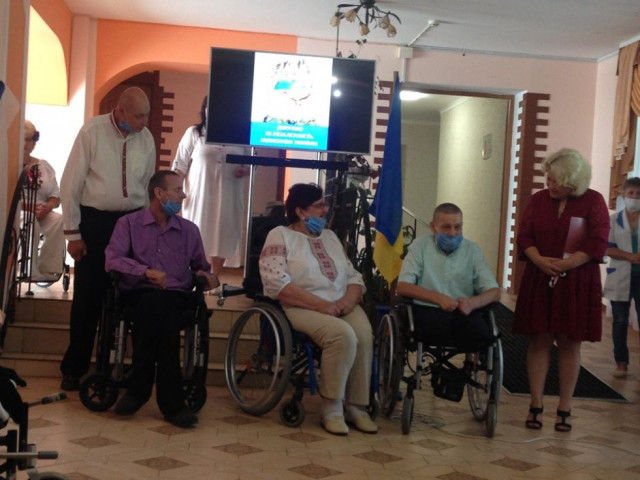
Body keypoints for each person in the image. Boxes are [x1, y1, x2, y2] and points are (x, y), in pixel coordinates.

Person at [259, 183, 377, 436]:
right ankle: (332, 408)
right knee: (342, 335)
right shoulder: (280, 235)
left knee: (364, 335)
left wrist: (348, 301)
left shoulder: (330, 237)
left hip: (341, 303)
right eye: (319, 205)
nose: (326, 209)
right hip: (302, 306)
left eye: (325, 204)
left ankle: (357, 406)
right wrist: (323, 306)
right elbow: (277, 283)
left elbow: (353, 275)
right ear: (301, 211)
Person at [59, 87, 156, 392]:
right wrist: (73, 234)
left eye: (147, 115)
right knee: (88, 297)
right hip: (96, 223)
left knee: (134, 295)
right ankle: (74, 368)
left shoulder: (146, 138)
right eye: (139, 116)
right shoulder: (92, 132)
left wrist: (148, 230)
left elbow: (147, 186)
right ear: (121, 110)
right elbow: (70, 184)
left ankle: (129, 367)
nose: (144, 122)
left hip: (132, 223)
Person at [105, 170, 218, 428]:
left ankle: (139, 388)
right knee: (157, 308)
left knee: (159, 308)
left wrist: (210, 278)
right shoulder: (128, 224)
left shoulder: (189, 230)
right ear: (159, 193)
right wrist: (145, 271)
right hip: (139, 293)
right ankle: (172, 404)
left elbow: (201, 268)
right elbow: (112, 259)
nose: (183, 195)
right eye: (178, 190)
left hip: (177, 296)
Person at [513, 148, 609, 433]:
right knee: (539, 340)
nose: (550, 185)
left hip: (577, 280)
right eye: (549, 179)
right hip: (540, 275)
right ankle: (535, 403)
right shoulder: (538, 200)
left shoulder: (594, 201)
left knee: (569, 343)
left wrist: (566, 264)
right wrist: (540, 261)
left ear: (574, 180)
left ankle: (565, 406)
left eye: (557, 181)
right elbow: (524, 236)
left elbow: (598, 241)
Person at [396, 203, 500, 353]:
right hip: (428, 310)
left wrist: (472, 303)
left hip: (464, 312)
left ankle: (468, 367)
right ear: (433, 227)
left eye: (457, 227)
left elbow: (494, 292)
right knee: (433, 327)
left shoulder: (472, 250)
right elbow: (403, 286)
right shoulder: (420, 246)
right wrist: (438, 298)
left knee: (481, 333)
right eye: (446, 227)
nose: (453, 233)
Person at [172, 96, 250, 276]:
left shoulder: (240, 135)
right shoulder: (194, 133)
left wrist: (245, 170)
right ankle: (195, 276)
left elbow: (251, 164)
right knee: (197, 233)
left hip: (229, 195)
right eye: (211, 108)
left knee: (224, 234)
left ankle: (214, 276)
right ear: (205, 110)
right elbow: (180, 166)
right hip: (200, 195)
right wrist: (175, 192)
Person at [604, 177, 640, 378]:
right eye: (631, 193)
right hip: (620, 274)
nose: (635, 197)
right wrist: (630, 256)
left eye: (639, 194)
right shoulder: (614, 220)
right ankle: (621, 363)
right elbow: (607, 248)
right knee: (620, 321)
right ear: (624, 196)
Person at [22, 120, 65, 281]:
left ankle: (48, 268)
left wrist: (48, 206)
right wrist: (29, 208)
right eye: (22, 139)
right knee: (30, 219)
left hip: (41, 210)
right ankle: (29, 270)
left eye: (29, 140)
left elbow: (55, 195)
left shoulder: (43, 166)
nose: (26, 144)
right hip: (18, 211)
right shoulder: (8, 164)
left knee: (58, 220)